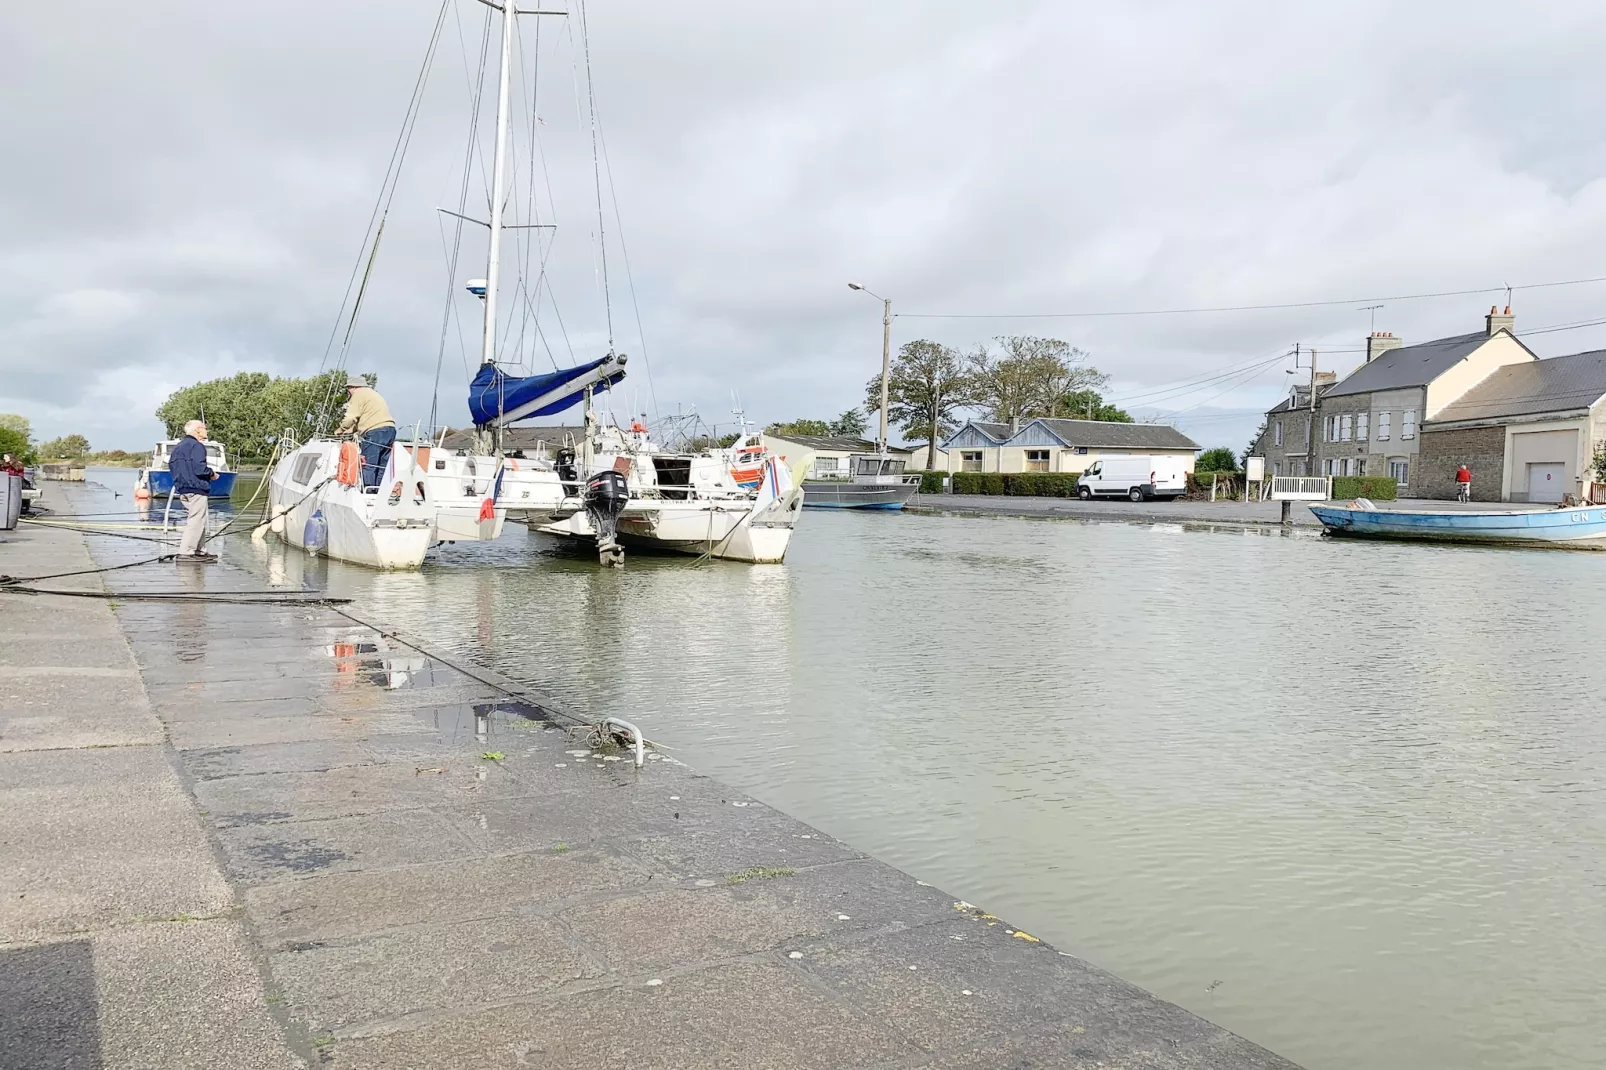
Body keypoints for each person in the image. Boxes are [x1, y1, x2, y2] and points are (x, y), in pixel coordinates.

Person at [335, 374, 396, 488]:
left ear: (351, 387)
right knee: (381, 467)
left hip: (375, 432)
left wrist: (340, 429)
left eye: (348, 389)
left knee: (367, 464)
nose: (348, 392)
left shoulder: (358, 394)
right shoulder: (372, 394)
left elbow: (351, 417)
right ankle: (378, 492)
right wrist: (349, 431)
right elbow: (366, 417)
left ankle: (365, 492)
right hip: (390, 430)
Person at [169, 419, 217, 562]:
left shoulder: (178, 447)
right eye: (204, 428)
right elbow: (199, 468)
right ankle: (186, 552)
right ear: (197, 430)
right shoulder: (197, 446)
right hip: (196, 488)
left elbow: (173, 467)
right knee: (196, 520)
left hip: (183, 488)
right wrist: (212, 474)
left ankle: (200, 550)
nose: (206, 431)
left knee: (198, 519)